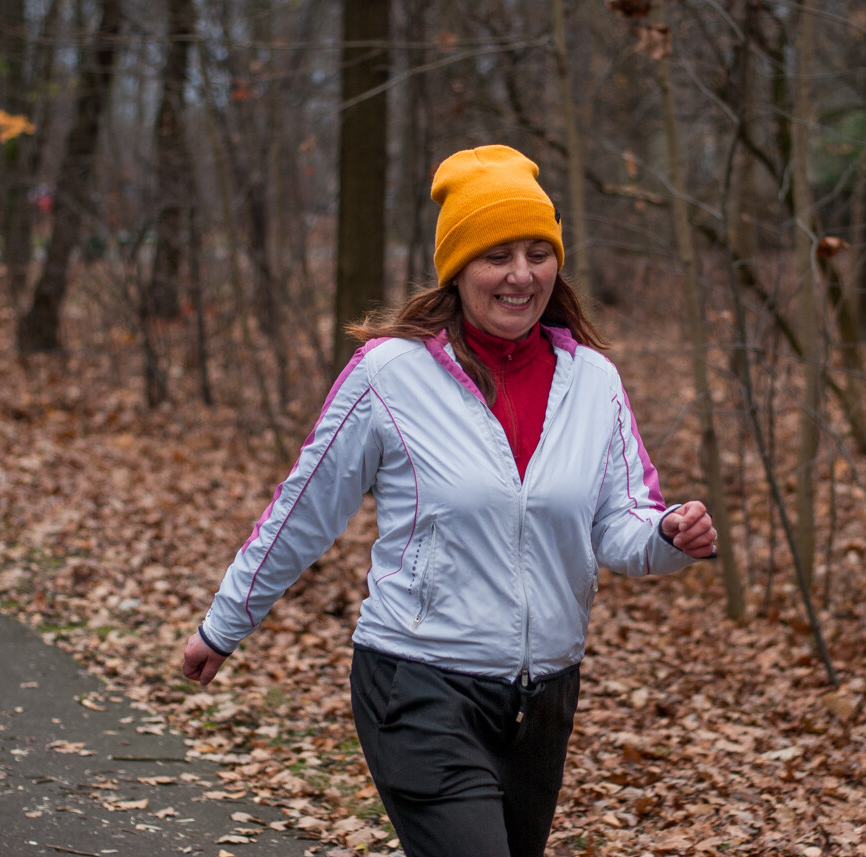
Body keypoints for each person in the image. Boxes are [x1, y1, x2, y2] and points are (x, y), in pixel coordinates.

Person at [182, 143, 718, 857]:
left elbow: (619, 524)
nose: (521, 275)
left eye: (538, 252)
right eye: (498, 255)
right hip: (417, 681)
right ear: (459, 266)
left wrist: (667, 536)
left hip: (543, 696)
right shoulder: (390, 374)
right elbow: (303, 508)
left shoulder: (594, 381)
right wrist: (224, 624)